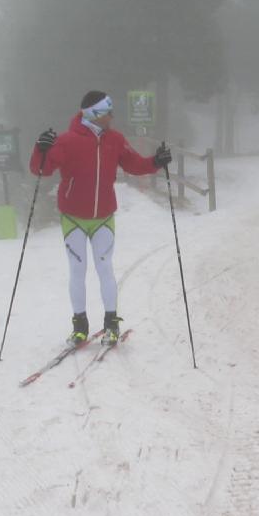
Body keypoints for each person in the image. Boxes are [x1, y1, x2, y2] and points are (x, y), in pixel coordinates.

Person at [30, 90, 173, 345]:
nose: (112, 115)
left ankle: (111, 324)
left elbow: (134, 164)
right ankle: (80, 326)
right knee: (78, 269)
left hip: (104, 216)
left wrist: (156, 162)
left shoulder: (114, 139)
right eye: (107, 111)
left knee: (105, 268)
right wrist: (40, 149)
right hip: (73, 217)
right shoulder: (67, 140)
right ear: (96, 115)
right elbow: (42, 168)